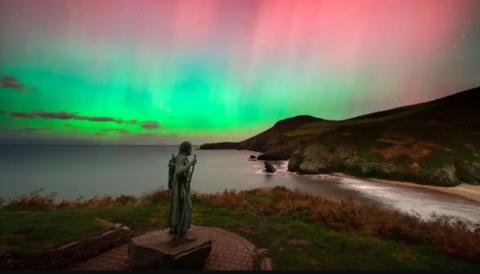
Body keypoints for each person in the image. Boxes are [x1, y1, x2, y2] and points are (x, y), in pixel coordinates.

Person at [168, 141, 197, 242]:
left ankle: (175, 228)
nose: (191, 150)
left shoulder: (178, 157)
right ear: (186, 149)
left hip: (178, 187)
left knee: (179, 208)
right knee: (186, 207)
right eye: (190, 148)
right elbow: (178, 172)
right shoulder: (183, 158)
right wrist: (191, 163)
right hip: (181, 189)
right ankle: (183, 233)